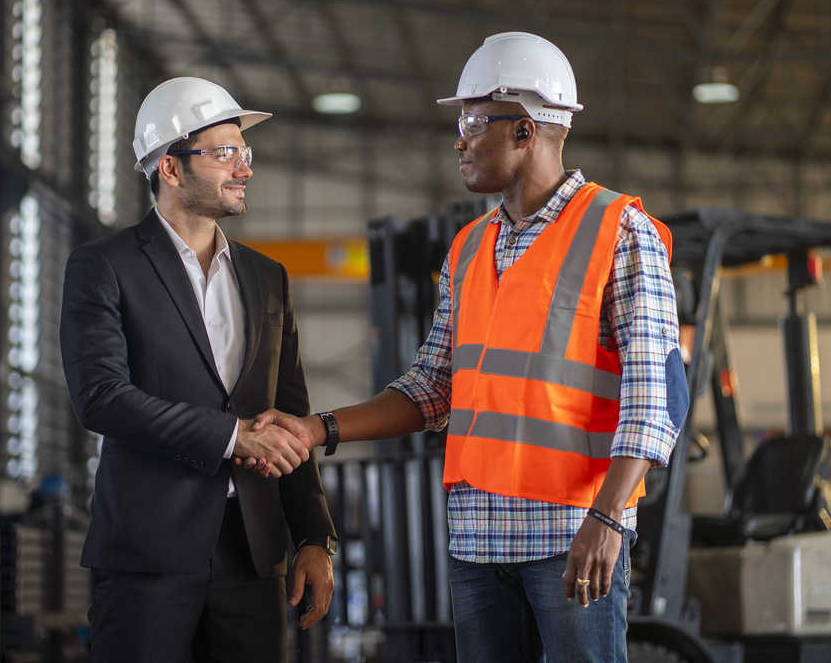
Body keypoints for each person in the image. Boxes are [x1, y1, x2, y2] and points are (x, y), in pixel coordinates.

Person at [248, 32, 689, 663]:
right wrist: (316, 430)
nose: (459, 139)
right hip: (477, 544)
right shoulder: (468, 247)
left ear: (524, 131)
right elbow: (433, 388)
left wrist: (610, 518)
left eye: (473, 120)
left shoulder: (619, 231)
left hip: (571, 535)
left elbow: (654, 398)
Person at [60, 77, 337, 663]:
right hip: (146, 555)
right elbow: (101, 397)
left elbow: (291, 413)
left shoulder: (268, 278)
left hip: (253, 553)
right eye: (225, 153)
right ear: (170, 168)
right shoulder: (103, 266)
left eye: (245, 153)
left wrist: (314, 537)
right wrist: (234, 436)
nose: (244, 168)